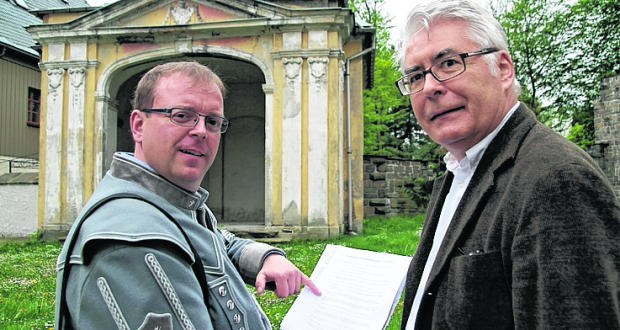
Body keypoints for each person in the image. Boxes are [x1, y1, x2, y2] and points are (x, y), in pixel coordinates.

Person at [394, 0, 620, 328]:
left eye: (449, 63)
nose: (430, 87)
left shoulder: (556, 181)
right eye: (415, 76)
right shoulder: (459, 170)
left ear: (502, 68)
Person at [54, 61, 320, 330]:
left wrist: (266, 257)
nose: (201, 131)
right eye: (181, 115)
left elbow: (216, 241)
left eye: (213, 121)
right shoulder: (135, 240)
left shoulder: (165, 201)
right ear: (138, 125)